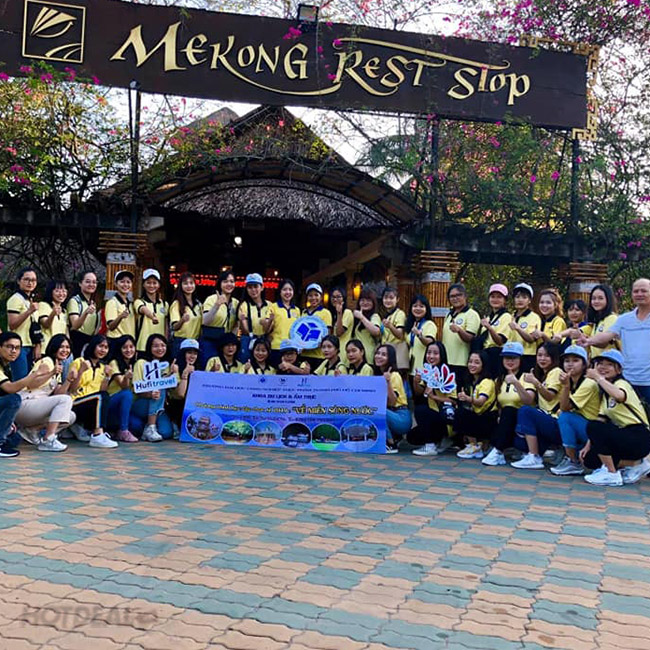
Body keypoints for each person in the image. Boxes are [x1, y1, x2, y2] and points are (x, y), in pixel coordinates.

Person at [581, 350, 650, 486]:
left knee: (593, 426)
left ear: (618, 370)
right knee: (590, 459)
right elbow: (601, 420)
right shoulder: (605, 394)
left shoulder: (621, 384)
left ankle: (611, 473)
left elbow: (619, 396)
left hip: (639, 435)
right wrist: (587, 445)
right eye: (600, 364)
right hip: (625, 435)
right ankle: (636, 464)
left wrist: (598, 378)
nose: (603, 367)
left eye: (609, 365)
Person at [580, 278, 650, 403]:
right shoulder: (624, 319)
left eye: (644, 291)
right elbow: (608, 335)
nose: (639, 294)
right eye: (636, 291)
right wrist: (589, 341)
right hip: (628, 379)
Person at [15, 334, 76, 452]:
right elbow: (31, 384)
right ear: (54, 347)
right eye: (61, 347)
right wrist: (51, 373)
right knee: (66, 400)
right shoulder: (46, 361)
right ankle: (48, 439)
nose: (65, 350)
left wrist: (68, 380)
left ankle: (32, 430)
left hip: (37, 406)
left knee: (70, 416)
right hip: (25, 403)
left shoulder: (58, 365)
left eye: (67, 347)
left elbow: (59, 394)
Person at [482, 342, 536, 466]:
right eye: (507, 358)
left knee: (509, 410)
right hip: (505, 421)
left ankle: (498, 451)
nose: (510, 361)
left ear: (520, 359)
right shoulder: (499, 379)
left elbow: (529, 400)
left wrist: (516, 383)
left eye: (514, 358)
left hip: (523, 424)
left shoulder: (526, 377)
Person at [550, 345, 601, 476]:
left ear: (584, 365)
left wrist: (565, 386)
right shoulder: (571, 381)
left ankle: (572, 461)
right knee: (559, 418)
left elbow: (565, 407)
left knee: (565, 416)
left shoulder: (588, 383)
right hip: (584, 427)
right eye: (567, 361)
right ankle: (566, 453)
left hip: (594, 430)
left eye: (575, 360)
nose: (570, 364)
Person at [510, 342, 562, 470]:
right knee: (519, 443)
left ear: (554, 358)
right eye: (539, 355)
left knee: (525, 411)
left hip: (556, 421)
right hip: (546, 419)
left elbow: (550, 396)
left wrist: (535, 382)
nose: (542, 359)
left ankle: (534, 456)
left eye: (547, 356)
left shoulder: (556, 371)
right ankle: (536, 453)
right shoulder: (543, 373)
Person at [0, 333, 49, 457]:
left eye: (17, 348)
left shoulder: (7, 366)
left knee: (15, 440)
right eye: (9, 347)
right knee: (14, 400)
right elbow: (10, 388)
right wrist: (36, 374)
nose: (13, 351)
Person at [67, 335, 118, 449]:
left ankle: (96, 432)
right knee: (101, 397)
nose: (103, 350)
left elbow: (102, 392)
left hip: (92, 405)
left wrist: (107, 377)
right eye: (100, 346)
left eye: (106, 347)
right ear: (93, 346)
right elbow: (72, 389)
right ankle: (97, 435)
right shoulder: (79, 362)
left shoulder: (103, 367)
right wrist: (81, 370)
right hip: (75, 402)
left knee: (104, 396)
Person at [408, 341, 456, 456]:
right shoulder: (427, 371)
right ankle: (442, 441)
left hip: (447, 417)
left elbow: (453, 401)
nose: (431, 356)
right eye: (429, 353)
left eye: (435, 353)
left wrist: (434, 397)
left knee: (421, 410)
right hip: (434, 414)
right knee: (412, 437)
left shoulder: (447, 374)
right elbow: (419, 392)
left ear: (442, 355)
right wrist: (416, 382)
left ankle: (431, 445)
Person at [131, 334, 177, 441]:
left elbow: (174, 391)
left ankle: (148, 426)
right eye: (155, 346)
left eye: (163, 345)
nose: (160, 349)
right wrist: (150, 394)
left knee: (166, 433)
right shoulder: (141, 363)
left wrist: (173, 374)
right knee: (159, 386)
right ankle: (151, 427)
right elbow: (137, 390)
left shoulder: (168, 365)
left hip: (159, 407)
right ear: (149, 347)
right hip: (141, 403)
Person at [455, 351, 498, 460]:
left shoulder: (487, 381)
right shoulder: (471, 381)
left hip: (489, 419)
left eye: (477, 362)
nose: (472, 365)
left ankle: (475, 446)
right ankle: (477, 445)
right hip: (479, 416)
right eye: (470, 362)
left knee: (462, 413)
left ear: (484, 365)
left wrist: (467, 398)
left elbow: (481, 401)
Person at [6, 267, 42, 378]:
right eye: (26, 279)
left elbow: (35, 326)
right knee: (20, 381)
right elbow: (12, 324)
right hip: (18, 346)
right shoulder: (15, 299)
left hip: (30, 345)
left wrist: (38, 345)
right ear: (18, 281)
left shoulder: (30, 300)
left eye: (33, 280)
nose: (30, 283)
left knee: (30, 380)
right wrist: (29, 311)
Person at [373, 344, 409, 454]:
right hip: (391, 414)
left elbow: (393, 401)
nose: (379, 356)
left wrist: (388, 382)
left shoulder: (395, 375)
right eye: (378, 353)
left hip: (401, 416)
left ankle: (390, 444)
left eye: (384, 354)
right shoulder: (377, 374)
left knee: (377, 411)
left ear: (390, 358)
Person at [441, 283, 480, 383]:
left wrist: (459, 330)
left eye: (458, 295)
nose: (455, 298)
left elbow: (470, 338)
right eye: (452, 296)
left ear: (465, 296)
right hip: (446, 362)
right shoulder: (448, 315)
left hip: (462, 363)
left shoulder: (471, 314)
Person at [202, 270, 239, 363]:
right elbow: (205, 321)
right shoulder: (211, 299)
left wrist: (232, 339)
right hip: (210, 341)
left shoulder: (236, 302)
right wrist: (217, 305)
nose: (229, 284)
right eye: (225, 281)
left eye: (232, 281)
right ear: (220, 284)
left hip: (226, 344)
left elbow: (236, 324)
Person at [106, 334, 138, 443]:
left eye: (131, 347)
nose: (128, 350)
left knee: (138, 426)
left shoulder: (136, 363)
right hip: (111, 403)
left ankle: (115, 431)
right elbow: (123, 386)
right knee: (127, 393)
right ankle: (123, 431)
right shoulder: (114, 363)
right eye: (124, 347)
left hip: (127, 407)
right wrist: (127, 377)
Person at [477, 284, 512, 378]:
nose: (495, 300)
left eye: (499, 297)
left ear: (505, 300)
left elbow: (500, 341)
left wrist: (489, 328)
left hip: (497, 354)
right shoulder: (489, 318)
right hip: (486, 354)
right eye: (493, 297)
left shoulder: (506, 317)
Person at [134, 269, 169, 356]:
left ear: (159, 285)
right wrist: (152, 317)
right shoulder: (139, 301)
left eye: (154, 283)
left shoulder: (164, 304)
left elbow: (166, 325)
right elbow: (143, 309)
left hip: (159, 348)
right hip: (143, 346)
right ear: (143, 284)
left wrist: (166, 342)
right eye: (148, 283)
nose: (151, 285)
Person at [508, 283, 541, 372]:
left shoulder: (534, 317)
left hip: (527, 355)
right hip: (511, 355)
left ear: (529, 300)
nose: (520, 300)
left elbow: (531, 339)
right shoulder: (511, 316)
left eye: (524, 297)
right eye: (517, 297)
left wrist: (518, 328)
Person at [267, 279, 301, 367]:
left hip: (292, 348)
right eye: (284, 289)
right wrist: (269, 321)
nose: (287, 292)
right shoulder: (273, 307)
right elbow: (267, 329)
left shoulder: (297, 310)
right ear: (280, 292)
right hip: (277, 347)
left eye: (290, 290)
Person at [238, 273, 270, 363]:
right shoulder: (244, 305)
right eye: (250, 287)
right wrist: (243, 322)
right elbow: (244, 329)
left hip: (264, 341)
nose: (253, 290)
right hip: (248, 340)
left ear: (262, 287)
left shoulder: (269, 305)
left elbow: (270, 327)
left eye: (256, 286)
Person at [170, 272, 202, 361]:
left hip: (195, 342)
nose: (189, 286)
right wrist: (182, 320)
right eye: (185, 283)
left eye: (191, 283)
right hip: (181, 341)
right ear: (181, 286)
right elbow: (174, 327)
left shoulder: (198, 304)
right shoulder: (177, 304)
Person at [167, 338, 199, 429]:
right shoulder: (175, 367)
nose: (192, 356)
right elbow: (180, 394)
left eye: (195, 353)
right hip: (176, 407)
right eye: (189, 352)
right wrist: (185, 374)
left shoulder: (198, 367)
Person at [67, 270, 99, 358]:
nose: (91, 284)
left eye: (94, 282)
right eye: (88, 282)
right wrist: (86, 313)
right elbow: (75, 326)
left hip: (89, 341)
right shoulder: (75, 301)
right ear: (80, 283)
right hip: (77, 341)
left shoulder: (92, 303)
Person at [581, 284, 619, 359]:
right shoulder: (597, 321)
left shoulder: (612, 318)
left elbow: (604, 343)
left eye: (600, 298)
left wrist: (588, 341)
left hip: (610, 363)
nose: (596, 301)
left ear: (608, 300)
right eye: (593, 298)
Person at [301, 283, 333, 370]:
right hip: (304, 354)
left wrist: (319, 343)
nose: (313, 298)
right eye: (310, 295)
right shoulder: (303, 313)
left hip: (319, 356)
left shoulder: (325, 313)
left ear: (321, 297)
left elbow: (327, 334)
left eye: (316, 295)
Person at [405, 294, 437, 376]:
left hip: (423, 368)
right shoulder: (411, 324)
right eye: (415, 306)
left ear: (426, 309)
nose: (418, 309)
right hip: (410, 367)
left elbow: (430, 342)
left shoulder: (429, 324)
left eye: (421, 306)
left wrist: (419, 335)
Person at [105, 270, 136, 348]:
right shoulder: (112, 302)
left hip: (128, 342)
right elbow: (111, 327)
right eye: (122, 282)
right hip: (116, 341)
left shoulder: (130, 304)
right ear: (116, 283)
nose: (125, 285)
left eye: (128, 282)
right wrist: (120, 316)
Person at [351, 289, 382, 366]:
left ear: (373, 303)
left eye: (368, 300)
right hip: (355, 358)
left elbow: (376, 331)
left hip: (368, 358)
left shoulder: (374, 316)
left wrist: (361, 317)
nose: (365, 303)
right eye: (362, 300)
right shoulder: (355, 318)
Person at [380, 287, 408, 371]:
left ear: (397, 299)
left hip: (397, 353)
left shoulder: (400, 314)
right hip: (387, 352)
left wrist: (390, 326)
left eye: (391, 298)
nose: (388, 300)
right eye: (385, 298)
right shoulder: (386, 315)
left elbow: (400, 335)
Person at [38, 279, 69, 351]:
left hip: (61, 350)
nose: (61, 294)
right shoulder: (43, 305)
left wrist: (68, 346)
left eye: (64, 291)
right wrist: (53, 314)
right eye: (57, 291)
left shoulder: (64, 311)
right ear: (50, 292)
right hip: (46, 348)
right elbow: (45, 324)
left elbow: (66, 332)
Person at [331, 287, 354, 363]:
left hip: (343, 352)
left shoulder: (347, 312)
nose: (335, 299)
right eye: (333, 297)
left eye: (338, 297)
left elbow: (339, 332)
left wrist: (339, 313)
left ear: (343, 298)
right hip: (334, 351)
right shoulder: (333, 314)